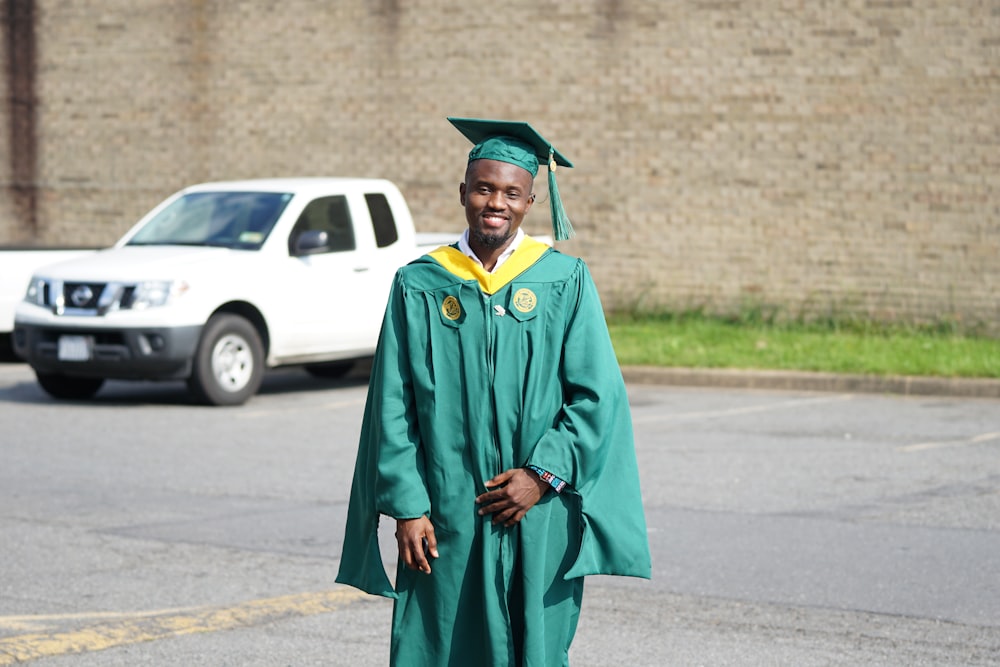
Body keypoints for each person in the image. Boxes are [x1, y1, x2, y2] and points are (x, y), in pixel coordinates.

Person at [336, 117, 651, 666]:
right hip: (444, 513)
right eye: (483, 188)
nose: (495, 202)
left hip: (535, 512)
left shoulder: (563, 281)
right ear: (463, 193)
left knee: (536, 646)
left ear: (531, 201)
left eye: (511, 192)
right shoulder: (420, 283)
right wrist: (408, 507)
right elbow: (392, 403)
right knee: (438, 646)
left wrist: (541, 475)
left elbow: (595, 397)